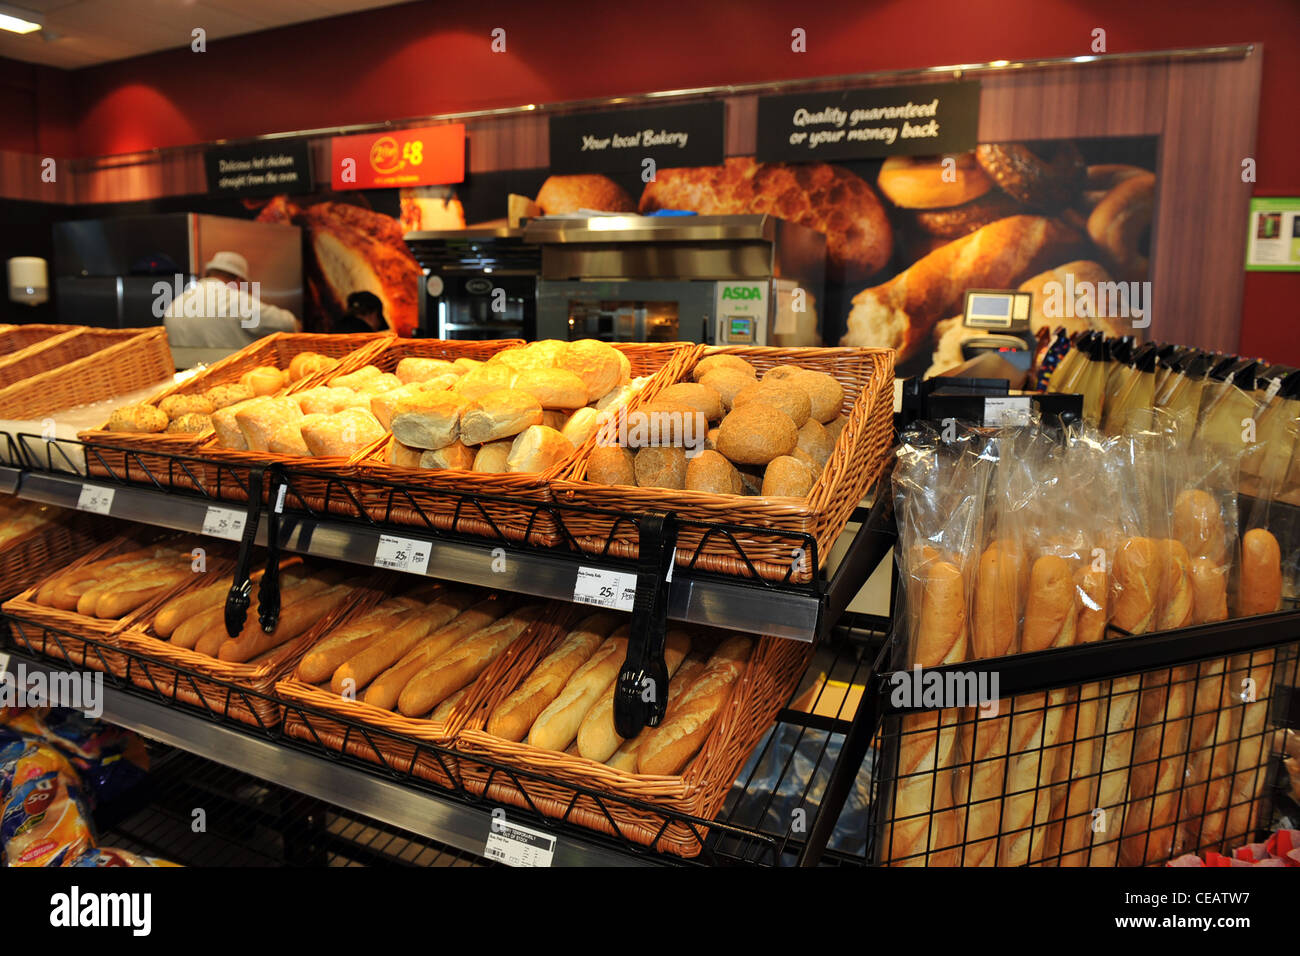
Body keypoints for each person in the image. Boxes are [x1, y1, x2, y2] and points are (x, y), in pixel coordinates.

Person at [163, 250, 299, 349]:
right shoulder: (235, 300)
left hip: (184, 380)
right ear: (239, 280)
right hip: (230, 382)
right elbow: (287, 324)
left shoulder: (177, 303)